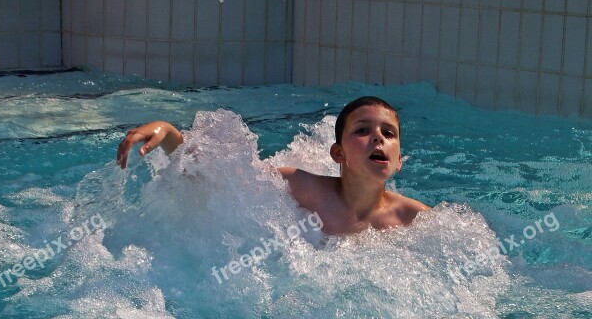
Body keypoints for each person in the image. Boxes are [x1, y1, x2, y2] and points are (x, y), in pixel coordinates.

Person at [116, 96, 431, 235]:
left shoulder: (414, 219)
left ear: (399, 161)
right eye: (363, 130)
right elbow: (219, 178)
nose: (378, 138)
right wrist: (169, 133)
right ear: (338, 154)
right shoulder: (304, 189)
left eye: (388, 134)